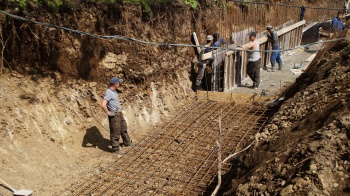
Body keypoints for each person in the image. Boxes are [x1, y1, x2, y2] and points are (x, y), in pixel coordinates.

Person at [101, 77, 134, 154]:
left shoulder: (114, 91)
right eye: (118, 83)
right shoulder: (108, 92)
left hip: (119, 112)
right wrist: (108, 113)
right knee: (115, 131)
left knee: (123, 127)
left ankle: (127, 142)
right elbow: (103, 105)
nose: (120, 84)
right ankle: (115, 148)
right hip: (114, 113)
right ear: (115, 84)